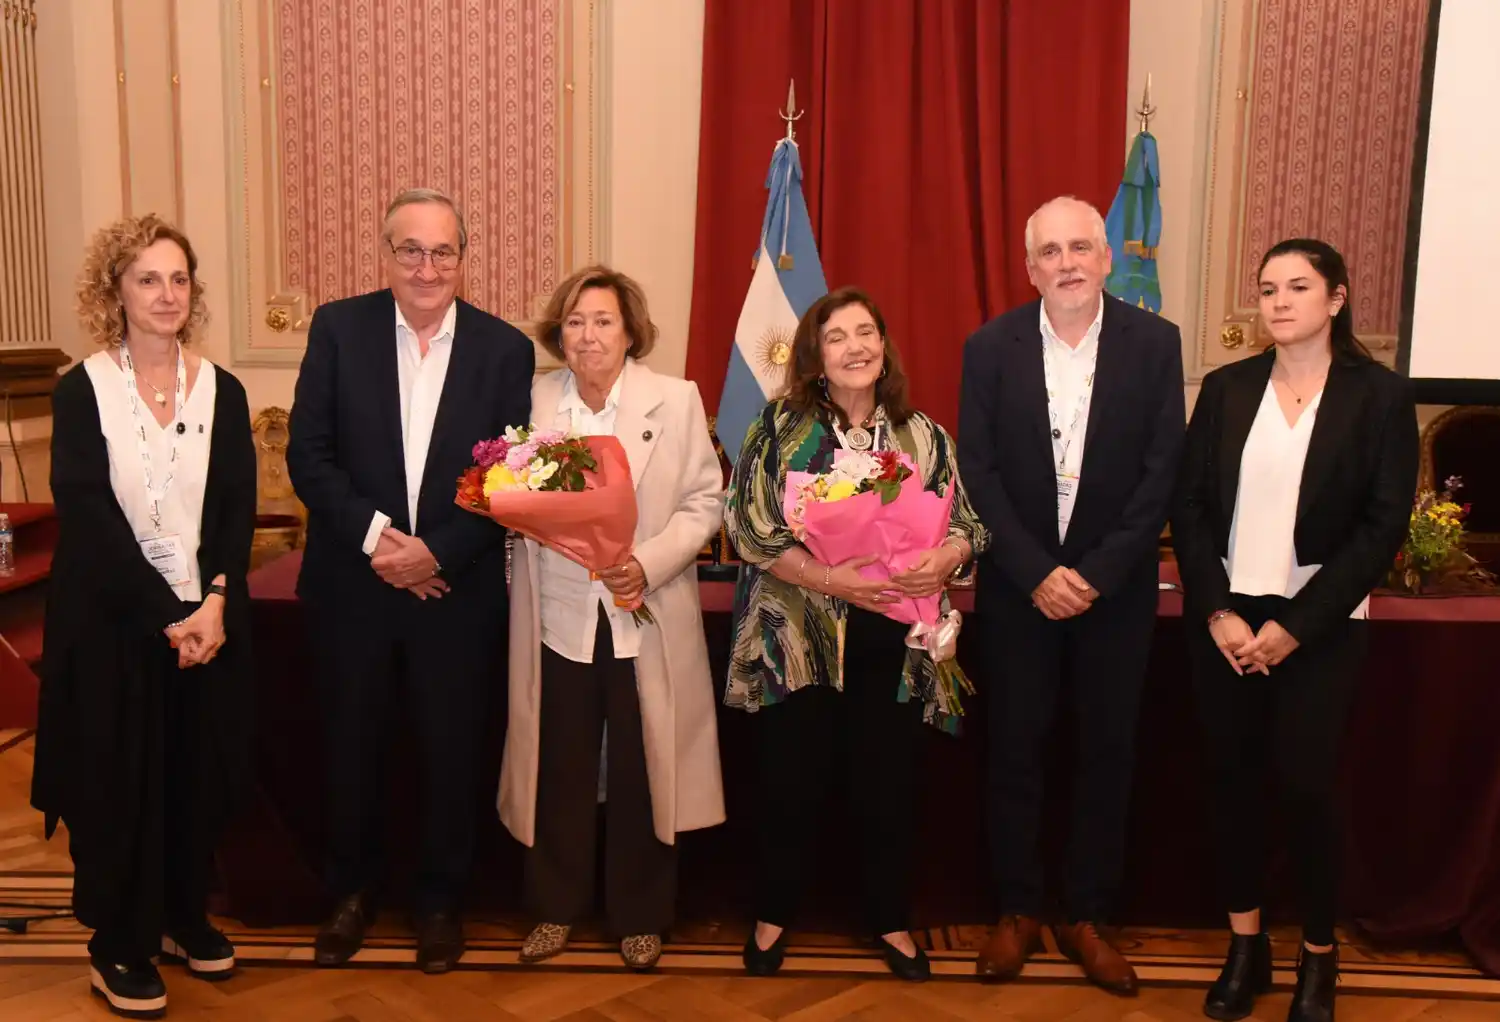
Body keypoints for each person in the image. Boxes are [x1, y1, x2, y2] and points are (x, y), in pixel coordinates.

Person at [286, 188, 535, 973]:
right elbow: (309, 455)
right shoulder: (337, 328)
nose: (427, 267)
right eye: (410, 250)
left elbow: (512, 477)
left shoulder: (505, 350)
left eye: (443, 252)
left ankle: (439, 902)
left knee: (450, 750)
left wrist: (439, 554)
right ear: (385, 255)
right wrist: (380, 543)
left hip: (455, 592)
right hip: (351, 589)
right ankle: (351, 895)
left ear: (464, 260)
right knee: (351, 746)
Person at [1172, 238, 1417, 1022]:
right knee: (1232, 788)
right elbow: (1191, 508)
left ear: (1337, 298)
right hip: (1227, 621)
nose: (1278, 301)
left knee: (1309, 793)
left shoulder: (1378, 396)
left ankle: (1318, 955)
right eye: (1267, 288)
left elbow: (1380, 530)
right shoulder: (1227, 386)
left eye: (1298, 286)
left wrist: (1297, 629)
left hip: (1320, 624)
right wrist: (1218, 611)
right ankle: (1246, 946)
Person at [725, 286, 989, 982]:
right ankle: (773, 913)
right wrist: (838, 582)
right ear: (815, 355)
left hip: (895, 642)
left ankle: (891, 917)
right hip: (800, 638)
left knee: (888, 786)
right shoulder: (780, 427)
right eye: (837, 336)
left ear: (884, 345)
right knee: (790, 783)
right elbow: (749, 528)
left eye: (866, 332)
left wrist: (946, 556)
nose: (855, 347)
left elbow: (966, 523)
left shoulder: (922, 433)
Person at [31, 214, 257, 1018]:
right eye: (148, 279)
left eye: (179, 278)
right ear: (115, 292)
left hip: (207, 623)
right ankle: (117, 944)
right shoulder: (81, 387)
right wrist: (171, 615)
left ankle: (179, 914)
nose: (167, 294)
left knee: (196, 776)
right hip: (111, 628)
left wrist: (216, 604)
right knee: (117, 783)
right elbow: (88, 515)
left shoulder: (222, 390)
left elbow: (235, 510)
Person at [957, 196, 1185, 994]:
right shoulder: (989, 348)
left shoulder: (1157, 345)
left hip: (1113, 597)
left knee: (1105, 755)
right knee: (1013, 752)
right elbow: (977, 473)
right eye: (1049, 251)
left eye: (1081, 247)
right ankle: (1017, 908)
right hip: (1020, 594)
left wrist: (1093, 574)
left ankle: (1087, 913)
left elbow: (1162, 474)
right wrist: (1036, 573)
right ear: (1030, 268)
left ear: (1105, 257)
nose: (1067, 263)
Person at [499, 266, 724, 970]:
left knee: (641, 762)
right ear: (557, 334)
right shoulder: (534, 401)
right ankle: (554, 908)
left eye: (602, 321)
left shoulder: (675, 399)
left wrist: (649, 562)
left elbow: (704, 503)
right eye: (573, 322)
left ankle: (642, 914)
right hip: (558, 617)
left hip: (643, 608)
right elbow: (509, 499)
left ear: (630, 331)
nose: (587, 335)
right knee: (557, 762)